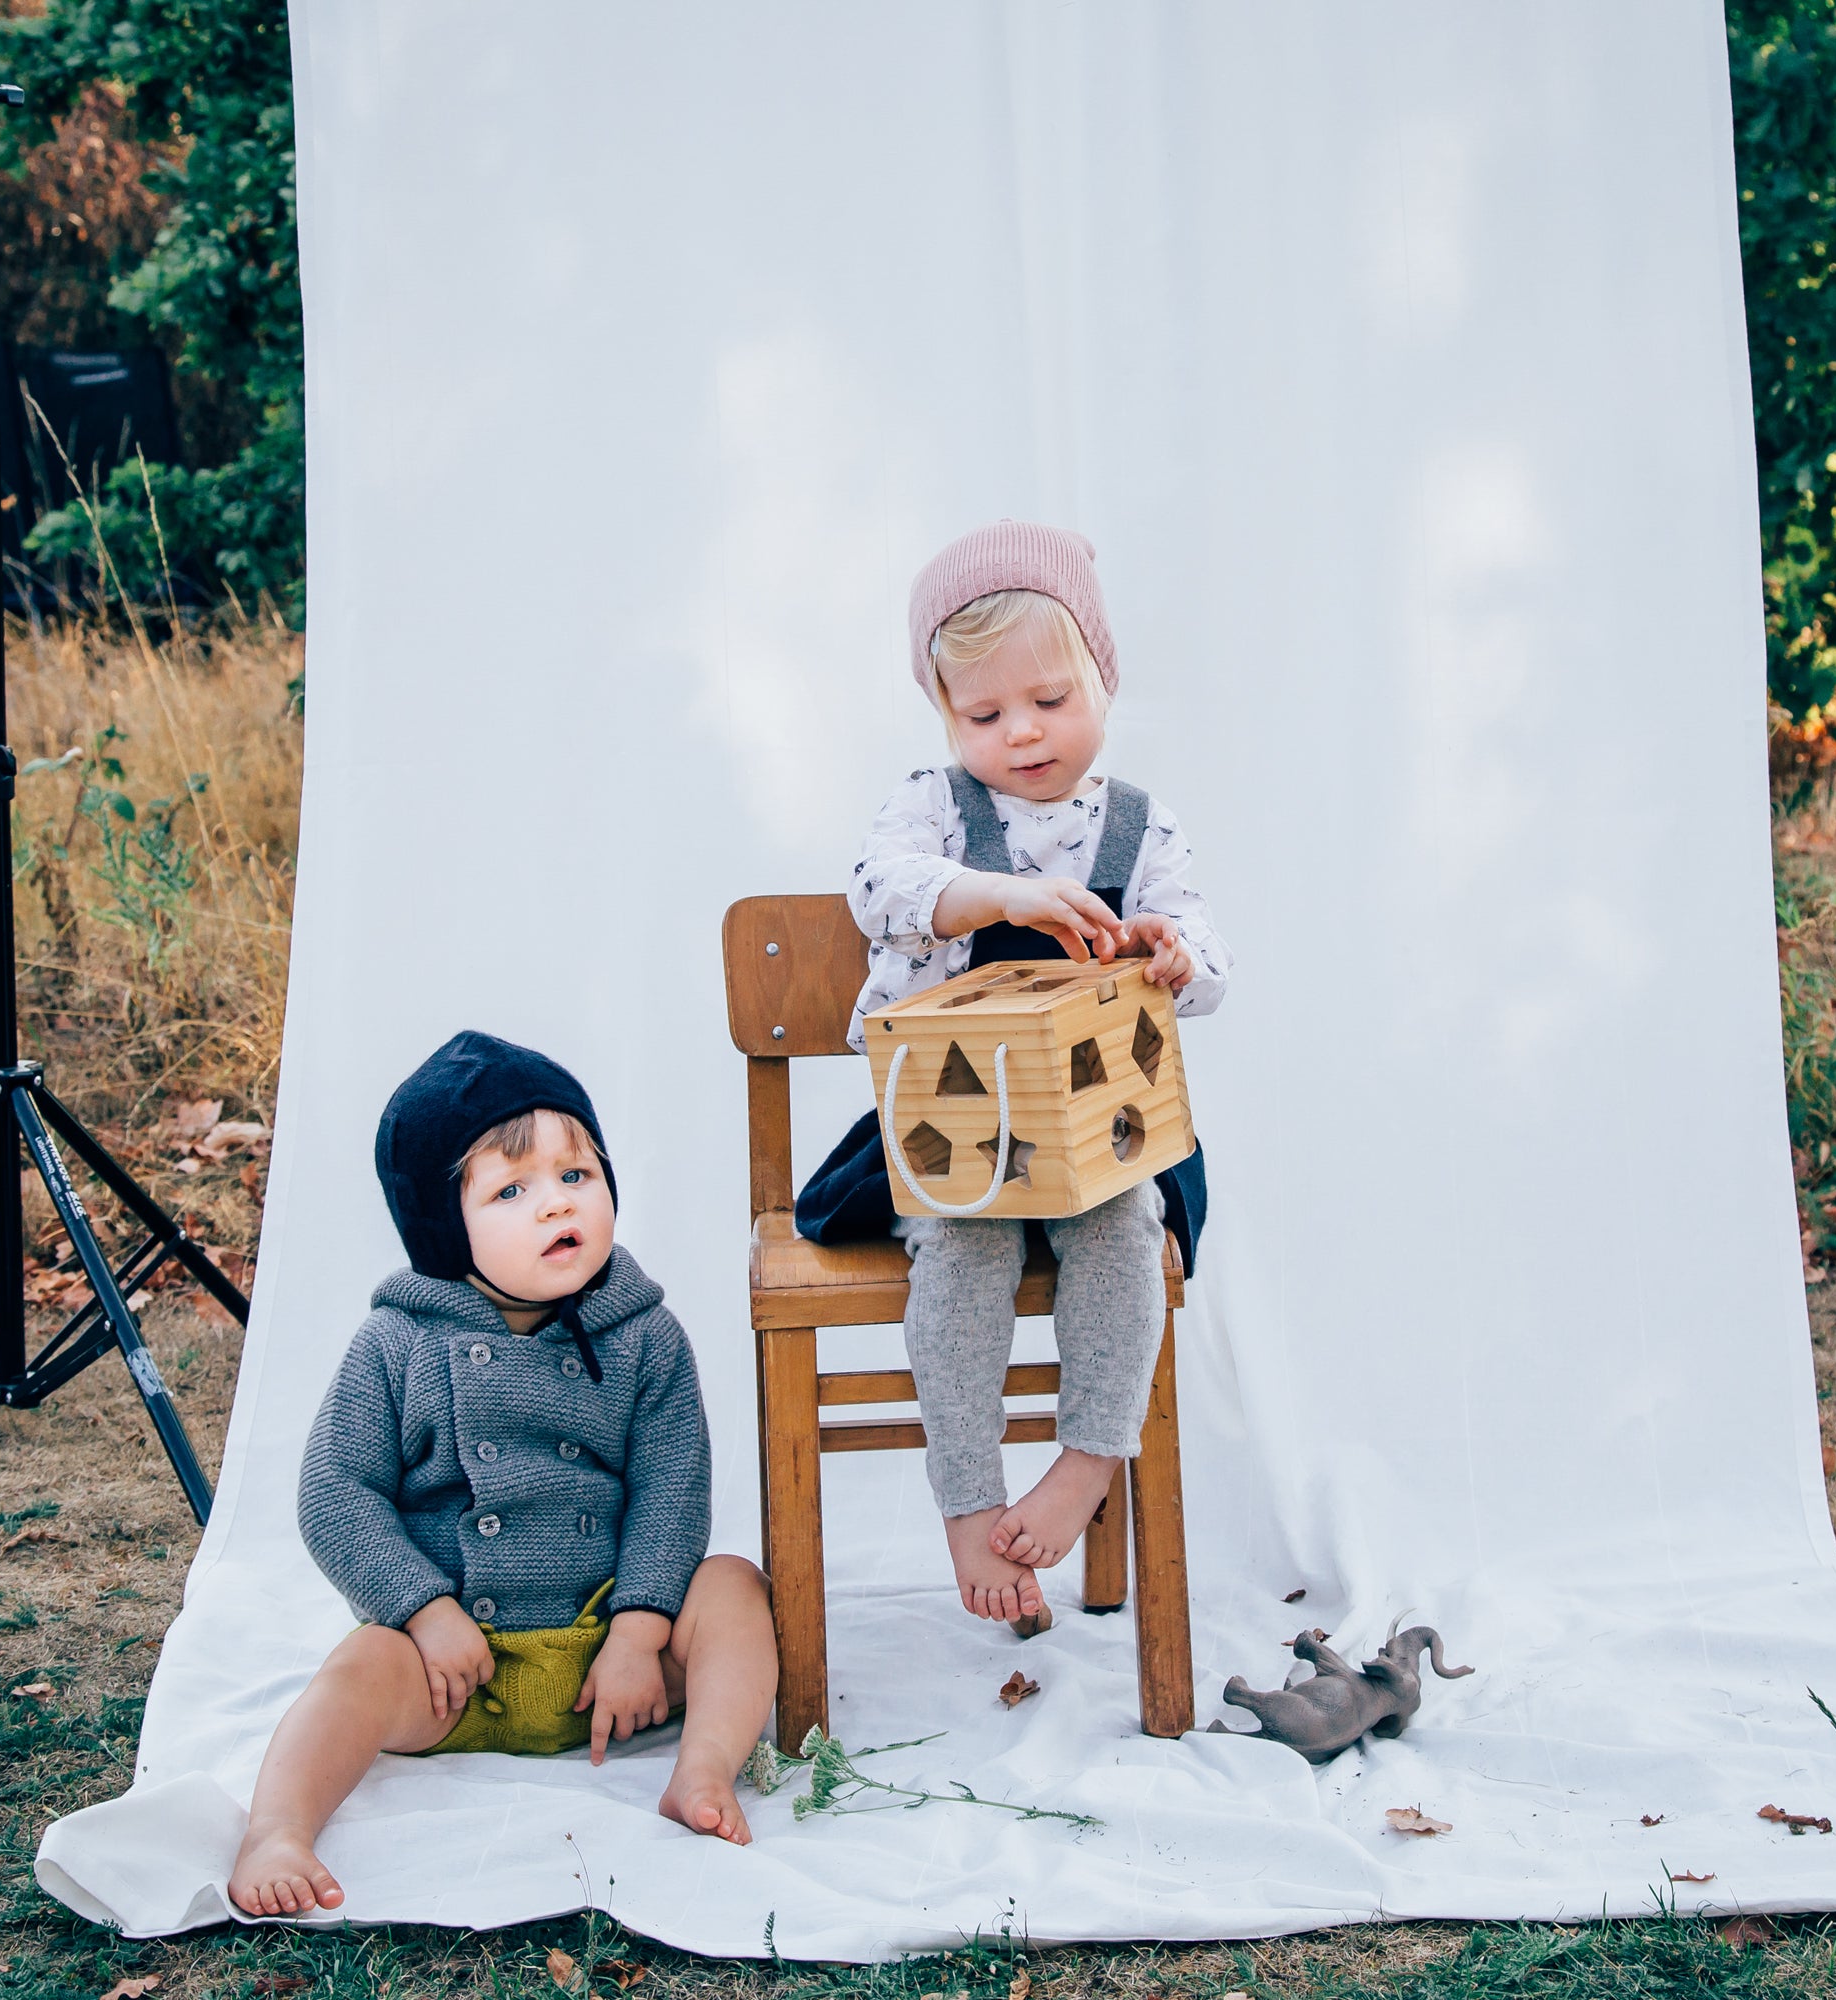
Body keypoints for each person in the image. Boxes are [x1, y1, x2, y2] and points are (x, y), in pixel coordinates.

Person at [228, 1032, 778, 1918]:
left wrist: (640, 1633)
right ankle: (278, 1827)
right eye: (511, 1190)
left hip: (609, 1658)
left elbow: (674, 1487)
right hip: (456, 1672)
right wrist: (423, 1610)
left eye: (577, 1176)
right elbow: (335, 1493)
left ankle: (703, 1768)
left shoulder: (645, 1334)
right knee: (361, 1665)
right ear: (447, 1226)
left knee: (734, 1588)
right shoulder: (398, 1343)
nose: (555, 1205)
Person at [796, 522, 1231, 1634]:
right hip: (950, 1136)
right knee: (961, 1235)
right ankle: (964, 1495)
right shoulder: (933, 810)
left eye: (1047, 699)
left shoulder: (1140, 825)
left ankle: (1089, 1456)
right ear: (945, 717)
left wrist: (1169, 955)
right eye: (981, 715)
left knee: (1127, 1225)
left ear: (1101, 675)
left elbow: (1206, 967)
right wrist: (997, 897)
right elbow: (878, 889)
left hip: (1096, 1142)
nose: (1020, 732)